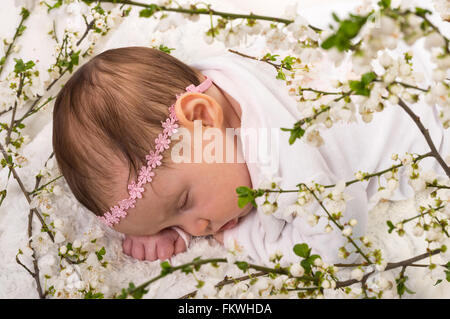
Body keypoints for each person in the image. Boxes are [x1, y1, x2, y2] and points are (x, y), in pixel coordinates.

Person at [52, 46, 449, 266]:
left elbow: (341, 244)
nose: (201, 228)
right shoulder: (213, 82)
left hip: (435, 121)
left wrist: (238, 237)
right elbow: (158, 171)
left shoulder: (282, 160)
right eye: (180, 222)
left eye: (185, 204)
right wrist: (157, 224)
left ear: (203, 118)